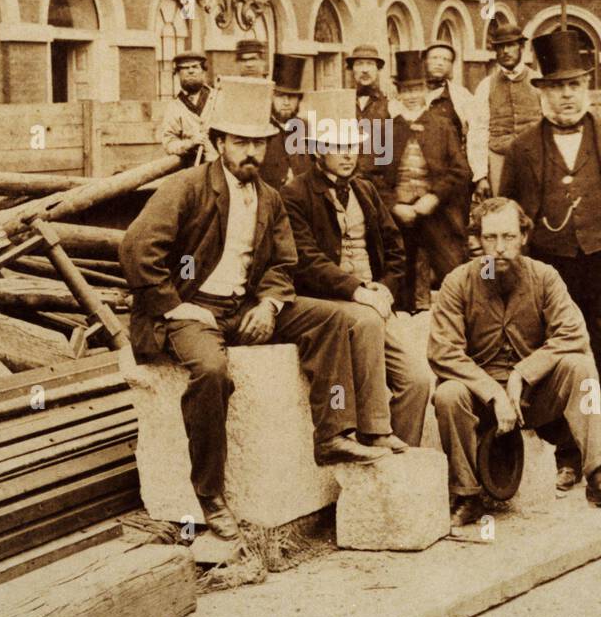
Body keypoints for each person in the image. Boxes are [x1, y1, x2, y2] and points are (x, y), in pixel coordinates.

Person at [119, 77, 400, 543]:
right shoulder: (186, 188)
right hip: (191, 311)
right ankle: (210, 495)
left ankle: (332, 433)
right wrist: (176, 307)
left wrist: (270, 303)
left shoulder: (268, 196)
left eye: (259, 143)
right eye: (240, 142)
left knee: (339, 318)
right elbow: (136, 249)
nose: (251, 152)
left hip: (244, 307)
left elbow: (284, 262)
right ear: (219, 143)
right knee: (211, 372)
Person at [499, 29, 601, 487]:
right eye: (556, 87)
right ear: (543, 93)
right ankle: (570, 456)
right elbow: (506, 210)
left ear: (586, 88)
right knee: (560, 363)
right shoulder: (522, 147)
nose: (566, 96)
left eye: (573, 86)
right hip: (552, 274)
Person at [428, 198, 601, 527]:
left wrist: (522, 374)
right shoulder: (457, 282)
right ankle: (466, 495)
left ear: (524, 236)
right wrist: (494, 393)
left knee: (580, 368)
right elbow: (443, 351)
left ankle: (600, 478)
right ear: (477, 239)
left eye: (509, 237)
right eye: (490, 238)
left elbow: (573, 335)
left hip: (533, 398)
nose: (499, 248)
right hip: (481, 400)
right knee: (448, 395)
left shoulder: (544, 277)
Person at [281, 88, 434, 448]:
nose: (347, 154)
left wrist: (385, 288)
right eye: (337, 146)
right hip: (332, 304)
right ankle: (374, 432)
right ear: (317, 149)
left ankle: (398, 465)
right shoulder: (295, 195)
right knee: (364, 320)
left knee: (417, 381)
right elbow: (305, 260)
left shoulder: (365, 191)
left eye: (352, 145)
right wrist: (356, 290)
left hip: (374, 301)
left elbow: (395, 249)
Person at [375, 50, 471, 311]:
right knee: (397, 271)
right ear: (398, 93)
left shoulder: (441, 126)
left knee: (453, 270)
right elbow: (372, 176)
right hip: (398, 214)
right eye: (406, 90)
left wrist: (434, 197)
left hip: (436, 213)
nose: (412, 95)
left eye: (417, 89)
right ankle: (405, 317)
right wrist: (394, 205)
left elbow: (461, 171)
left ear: (426, 90)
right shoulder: (386, 129)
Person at [469, 16, 541, 196]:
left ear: (521, 47)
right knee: (502, 213)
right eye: (500, 47)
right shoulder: (486, 85)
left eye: (510, 45)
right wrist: (481, 175)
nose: (505, 51)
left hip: (535, 159)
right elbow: (478, 130)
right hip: (499, 159)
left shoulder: (538, 81)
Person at [422, 41, 488, 199]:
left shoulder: (462, 96)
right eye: (435, 58)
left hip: (452, 176)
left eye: (446, 60)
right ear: (424, 61)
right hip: (420, 174)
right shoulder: (411, 95)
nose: (440, 63)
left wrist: (480, 176)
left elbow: (476, 136)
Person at [259, 53, 311, 189]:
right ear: (271, 97)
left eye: (292, 97)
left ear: (299, 100)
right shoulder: (260, 129)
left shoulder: (307, 129)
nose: (286, 102)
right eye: (280, 96)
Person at [159, 51, 214, 166]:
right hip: (191, 169)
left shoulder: (217, 99)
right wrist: (190, 143)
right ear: (178, 73)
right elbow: (169, 143)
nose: (191, 71)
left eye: (195, 67)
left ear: (203, 71)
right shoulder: (174, 108)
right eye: (185, 68)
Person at [348, 43, 391, 180]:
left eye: (370, 64)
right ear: (352, 69)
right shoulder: (341, 102)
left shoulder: (390, 104)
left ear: (378, 69)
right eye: (359, 64)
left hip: (379, 184)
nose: (364, 70)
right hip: (346, 182)